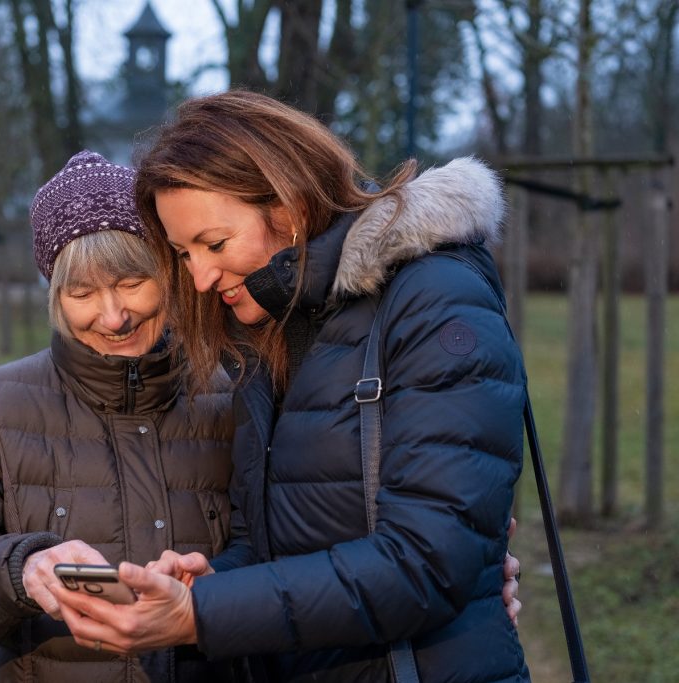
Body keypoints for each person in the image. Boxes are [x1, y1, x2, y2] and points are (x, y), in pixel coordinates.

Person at [52, 91, 531, 682]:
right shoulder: (270, 332)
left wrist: (201, 614)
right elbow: (273, 540)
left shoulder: (435, 304)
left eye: (215, 244)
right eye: (183, 254)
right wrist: (212, 584)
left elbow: (426, 564)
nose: (198, 277)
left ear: (291, 204)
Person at [0, 150, 240, 682]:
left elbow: (282, 566)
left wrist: (217, 587)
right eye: (83, 293)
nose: (113, 316)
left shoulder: (230, 395)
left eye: (130, 283)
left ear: (168, 272)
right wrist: (18, 570)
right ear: (56, 297)